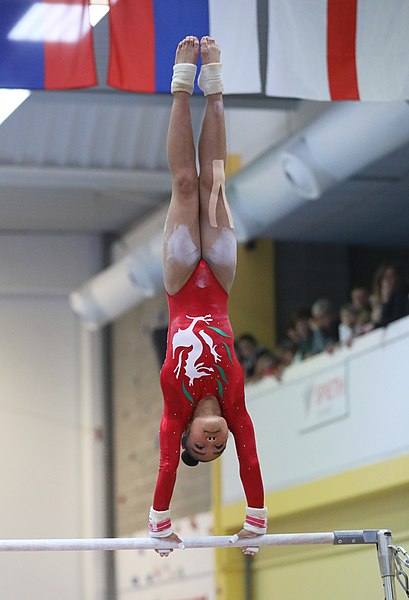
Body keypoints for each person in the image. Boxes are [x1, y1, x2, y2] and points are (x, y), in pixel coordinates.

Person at [148, 36, 267, 556]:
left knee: (183, 184)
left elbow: (166, 466)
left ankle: (180, 85)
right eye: (219, 445)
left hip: (179, 282)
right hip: (217, 280)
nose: (215, 440)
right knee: (214, 184)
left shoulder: (175, 407)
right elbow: (252, 462)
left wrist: (160, 524)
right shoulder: (236, 405)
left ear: (188, 434)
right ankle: (213, 83)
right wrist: (255, 523)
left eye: (204, 444)